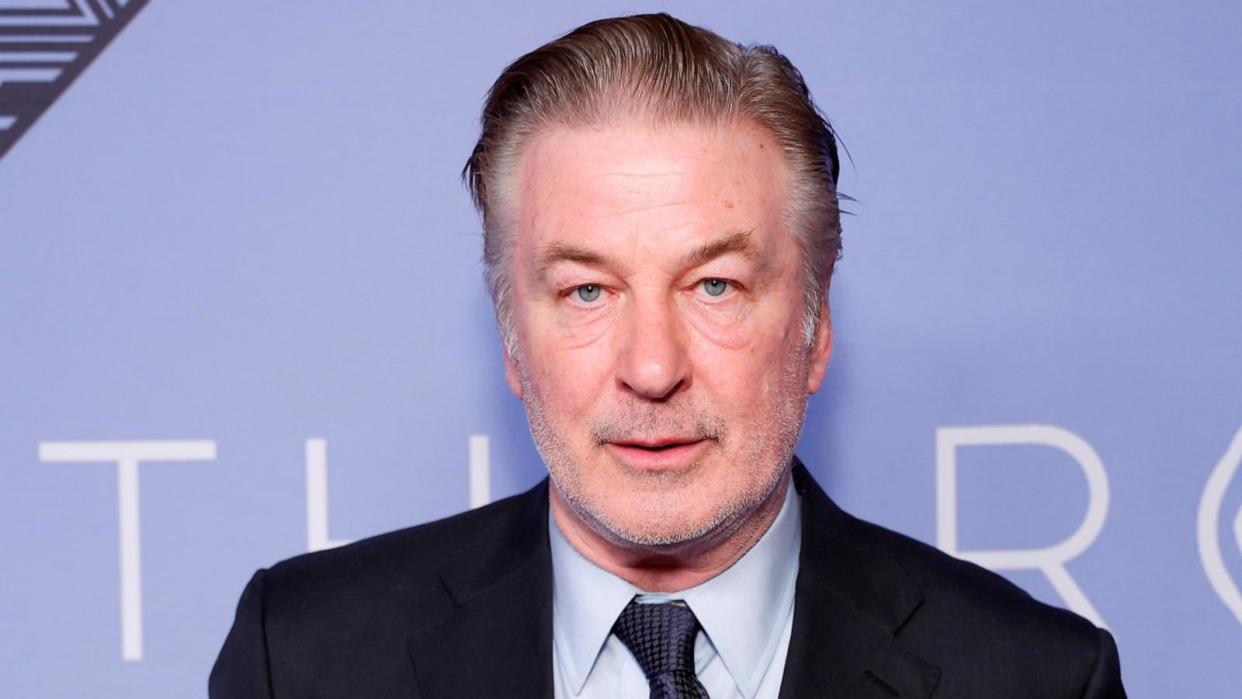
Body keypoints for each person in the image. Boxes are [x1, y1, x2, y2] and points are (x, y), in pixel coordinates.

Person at [210, 13, 1125, 698]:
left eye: (714, 286)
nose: (652, 367)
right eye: (586, 291)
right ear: (512, 340)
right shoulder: (301, 659)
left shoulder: (1035, 680)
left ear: (814, 328)